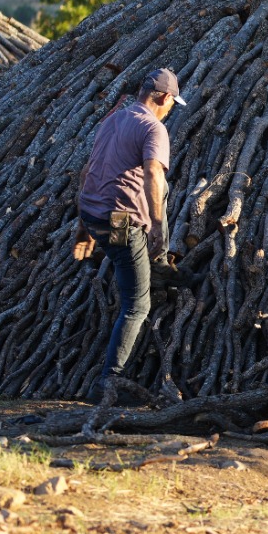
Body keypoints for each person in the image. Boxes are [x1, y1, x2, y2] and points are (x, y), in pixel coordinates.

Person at [76, 68, 187, 397]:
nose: (170, 110)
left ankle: (156, 265)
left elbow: (87, 171)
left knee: (133, 274)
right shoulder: (154, 128)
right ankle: (110, 383)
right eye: (171, 104)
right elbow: (153, 174)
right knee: (137, 304)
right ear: (165, 98)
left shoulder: (114, 120)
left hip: (93, 213)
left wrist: (84, 230)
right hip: (120, 222)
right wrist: (154, 224)